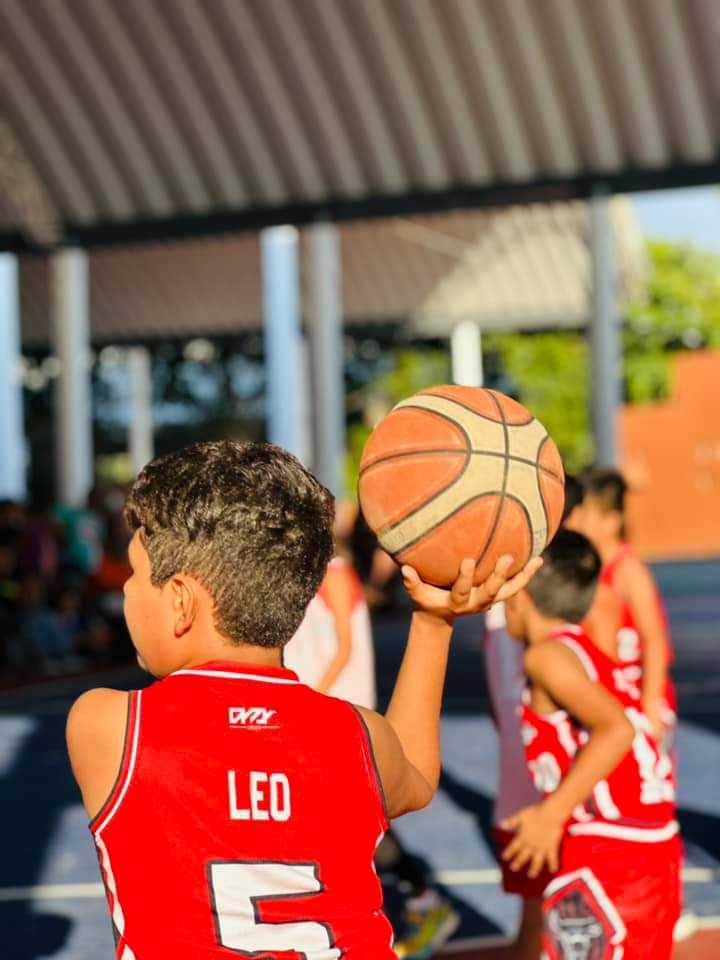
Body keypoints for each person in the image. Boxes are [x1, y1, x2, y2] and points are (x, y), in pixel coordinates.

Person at [65, 440, 540, 959]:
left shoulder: (110, 725)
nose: (128, 592)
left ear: (180, 600)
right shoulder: (362, 736)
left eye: (135, 575)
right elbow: (416, 777)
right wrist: (433, 621)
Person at [501, 531, 680, 960]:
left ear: (522, 593)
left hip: (610, 849)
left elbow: (616, 730)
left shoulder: (544, 657)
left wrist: (552, 813)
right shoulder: (584, 650)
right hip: (650, 846)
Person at [570, 470, 676, 741]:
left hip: (636, 691)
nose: (575, 522)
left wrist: (651, 702)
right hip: (605, 696)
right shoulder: (586, 567)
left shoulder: (629, 570)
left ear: (612, 521)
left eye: (584, 515)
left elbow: (654, 639)